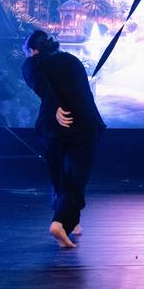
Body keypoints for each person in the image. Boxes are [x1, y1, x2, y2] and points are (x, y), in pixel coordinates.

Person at [22, 30, 106, 248]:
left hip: (50, 131)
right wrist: (57, 106)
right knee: (74, 180)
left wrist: (54, 107)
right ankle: (60, 222)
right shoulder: (71, 60)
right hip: (81, 126)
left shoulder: (32, 63)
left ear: (32, 50)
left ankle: (72, 221)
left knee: (60, 178)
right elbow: (80, 92)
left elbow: (42, 87)